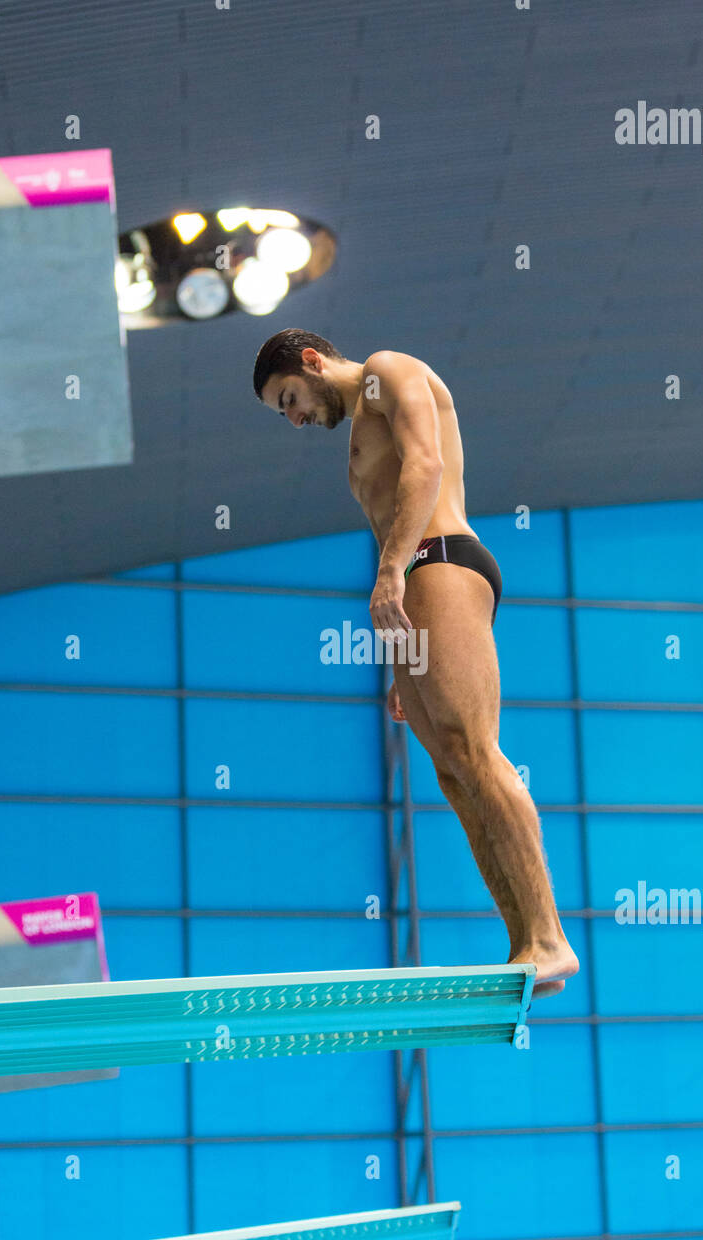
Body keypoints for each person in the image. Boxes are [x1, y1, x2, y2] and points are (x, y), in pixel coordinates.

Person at [253, 329, 578, 998]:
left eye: (289, 398)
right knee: (453, 774)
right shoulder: (354, 444)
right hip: (414, 592)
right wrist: (401, 659)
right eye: (282, 412)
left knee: (475, 750)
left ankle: (550, 937)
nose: (294, 418)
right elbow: (385, 531)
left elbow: (425, 466)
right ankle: (524, 944)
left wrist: (394, 572)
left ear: (313, 362)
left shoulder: (388, 370)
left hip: (444, 559)